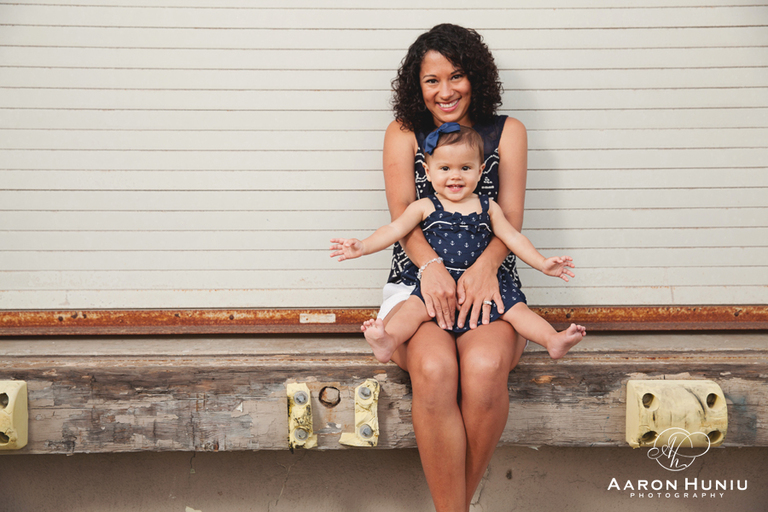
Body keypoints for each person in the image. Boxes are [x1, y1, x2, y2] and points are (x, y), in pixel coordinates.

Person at [359, 23, 551, 512]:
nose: (446, 91)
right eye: (431, 80)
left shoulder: (509, 132)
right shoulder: (402, 134)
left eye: (457, 76)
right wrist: (431, 268)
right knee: (435, 366)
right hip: (417, 286)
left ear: (476, 76)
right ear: (416, 85)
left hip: (493, 287)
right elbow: (402, 218)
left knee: (485, 369)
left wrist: (486, 269)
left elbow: (512, 221)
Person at [330, 124, 586, 364]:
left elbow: (513, 238)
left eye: (465, 168)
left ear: (481, 170)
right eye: (445, 169)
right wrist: (362, 246)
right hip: (438, 283)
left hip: (481, 286)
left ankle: (552, 340)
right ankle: (389, 341)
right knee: (414, 308)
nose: (455, 176)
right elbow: (394, 229)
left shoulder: (489, 208)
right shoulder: (425, 206)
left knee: (517, 310)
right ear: (428, 172)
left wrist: (543, 263)